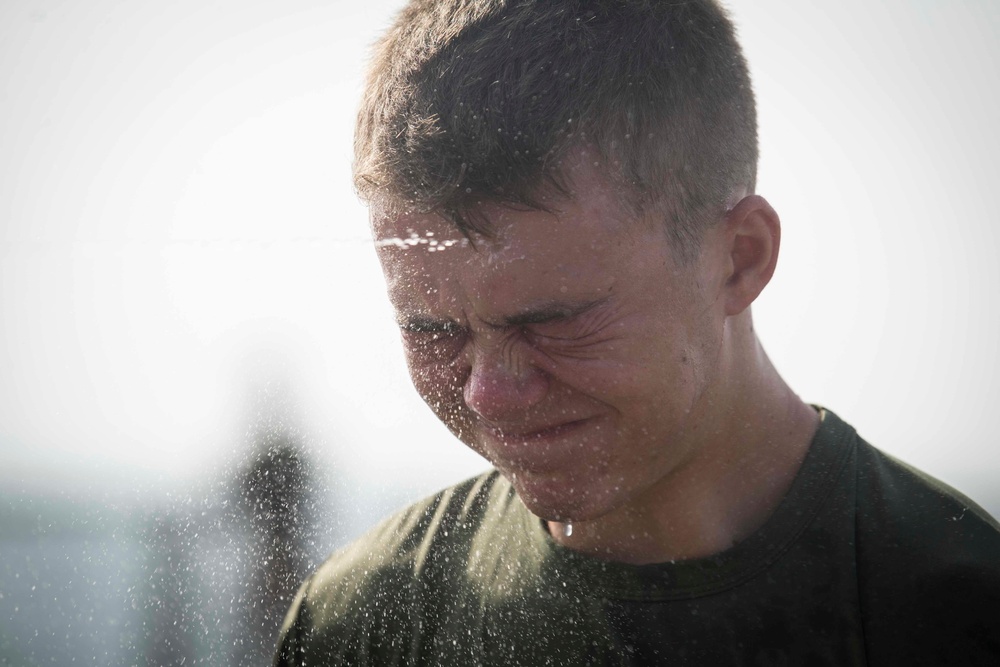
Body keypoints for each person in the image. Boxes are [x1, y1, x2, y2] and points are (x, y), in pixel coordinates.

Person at [275, 1, 1000, 664]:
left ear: (739, 258)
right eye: (434, 331)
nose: (490, 392)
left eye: (552, 322)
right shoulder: (365, 624)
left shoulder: (957, 611)